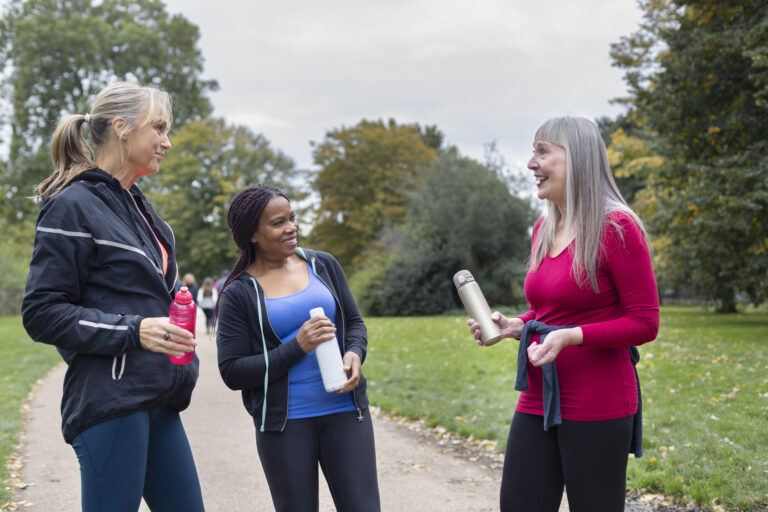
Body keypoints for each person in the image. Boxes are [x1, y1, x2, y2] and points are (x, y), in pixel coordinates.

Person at [21, 82, 204, 512]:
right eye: (158, 128)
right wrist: (135, 330)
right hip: (111, 400)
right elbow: (41, 311)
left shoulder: (142, 210)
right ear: (122, 127)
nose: (168, 141)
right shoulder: (73, 205)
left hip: (159, 396)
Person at [467, 116, 659, 512]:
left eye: (543, 152)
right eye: (532, 151)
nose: (530, 164)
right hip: (538, 396)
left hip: (597, 401)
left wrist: (572, 336)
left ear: (578, 160)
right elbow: (549, 309)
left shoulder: (617, 228)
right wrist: (516, 325)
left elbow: (645, 322)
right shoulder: (542, 227)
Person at [215, 184, 380, 512]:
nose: (291, 227)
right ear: (252, 235)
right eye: (278, 223)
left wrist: (354, 354)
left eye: (292, 218)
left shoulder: (324, 265)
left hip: (346, 413)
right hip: (285, 425)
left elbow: (354, 324)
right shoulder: (239, 293)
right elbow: (232, 371)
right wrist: (297, 347)